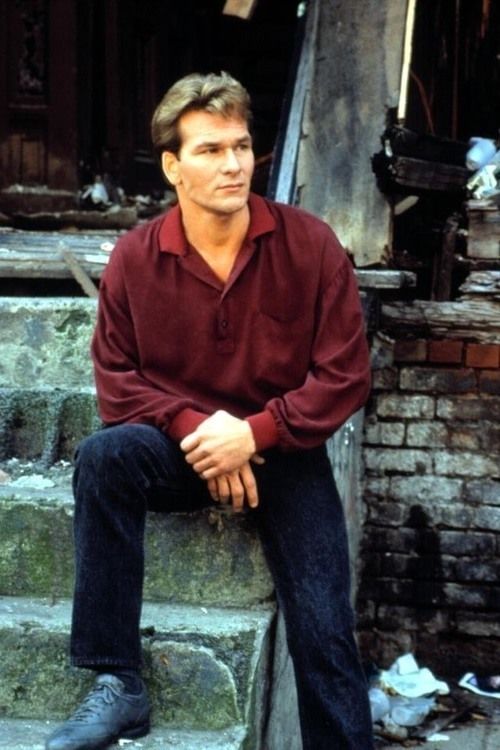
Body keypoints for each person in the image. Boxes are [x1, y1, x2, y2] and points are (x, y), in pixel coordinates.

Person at [46, 71, 374, 750]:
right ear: (172, 166)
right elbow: (118, 383)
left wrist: (252, 435)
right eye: (210, 150)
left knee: (325, 635)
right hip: (179, 448)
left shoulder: (311, 246)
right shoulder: (136, 259)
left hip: (284, 453)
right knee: (103, 458)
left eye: (242, 146)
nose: (233, 165)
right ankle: (118, 682)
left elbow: (343, 375)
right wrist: (203, 432)